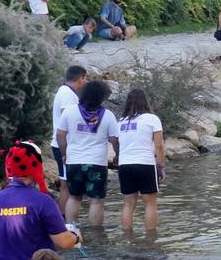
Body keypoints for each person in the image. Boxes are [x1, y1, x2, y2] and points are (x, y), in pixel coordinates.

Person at [55, 80, 120, 227]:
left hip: (74, 161)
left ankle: (71, 230)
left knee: (74, 197)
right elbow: (114, 140)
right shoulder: (108, 115)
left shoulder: (70, 111)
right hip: (96, 163)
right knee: (96, 201)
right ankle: (96, 236)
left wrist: (65, 154)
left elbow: (60, 135)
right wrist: (118, 155)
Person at [116, 88, 165, 232]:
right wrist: (161, 165)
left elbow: (118, 143)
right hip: (144, 164)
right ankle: (151, 239)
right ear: (145, 101)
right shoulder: (152, 119)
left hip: (125, 165)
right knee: (150, 203)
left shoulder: (121, 122)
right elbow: (158, 145)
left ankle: (127, 237)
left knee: (128, 204)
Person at [50, 65, 87, 214]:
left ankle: (63, 218)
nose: (85, 82)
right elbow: (69, 120)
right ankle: (62, 219)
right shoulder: (68, 95)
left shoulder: (65, 91)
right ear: (81, 78)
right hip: (64, 145)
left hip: (63, 144)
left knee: (68, 184)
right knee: (66, 185)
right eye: (85, 79)